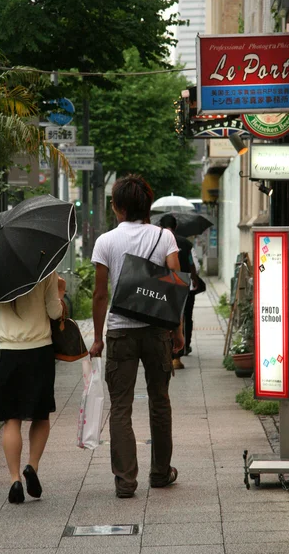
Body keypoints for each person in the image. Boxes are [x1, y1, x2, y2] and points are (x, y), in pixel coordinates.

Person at [90, 174, 184, 498]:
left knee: (120, 407)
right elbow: (174, 284)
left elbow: (100, 294)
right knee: (160, 402)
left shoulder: (106, 242)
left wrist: (98, 337)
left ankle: (125, 481)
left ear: (116, 206)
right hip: (157, 330)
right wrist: (178, 330)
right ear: (147, 206)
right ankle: (160, 473)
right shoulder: (165, 237)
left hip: (120, 332)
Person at [0, 272, 66, 504]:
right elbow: (55, 312)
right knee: (40, 415)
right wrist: (60, 292)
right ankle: (32, 467)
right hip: (39, 351)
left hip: (9, 353)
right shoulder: (45, 270)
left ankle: (15, 479)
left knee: (11, 419)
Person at [159, 214, 199, 370]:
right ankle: (183, 347)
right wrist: (194, 278)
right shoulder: (186, 243)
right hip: (184, 285)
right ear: (175, 227)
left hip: (163, 286)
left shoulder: (158, 242)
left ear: (161, 226)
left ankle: (167, 349)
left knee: (165, 318)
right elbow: (191, 263)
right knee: (185, 316)